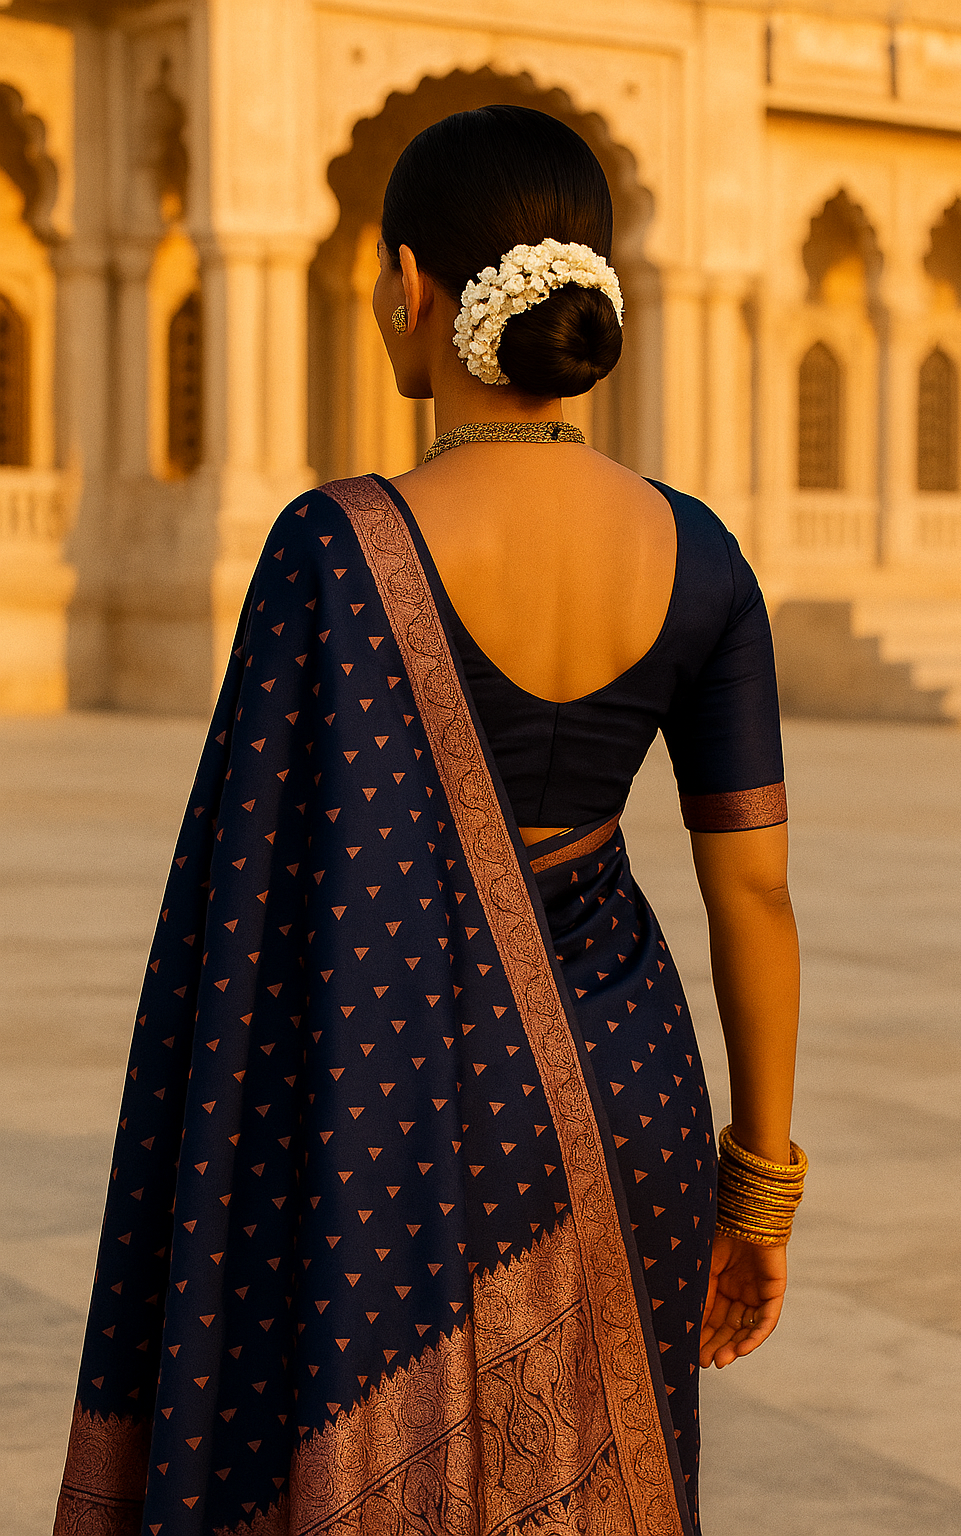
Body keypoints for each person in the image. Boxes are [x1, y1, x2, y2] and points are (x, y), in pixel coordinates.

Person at [54, 105, 803, 1536]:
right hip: (629, 1098)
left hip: (385, 1110)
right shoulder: (702, 553)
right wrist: (757, 1195)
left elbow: (244, 918)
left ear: (411, 286)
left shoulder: (333, 545)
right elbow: (753, 897)